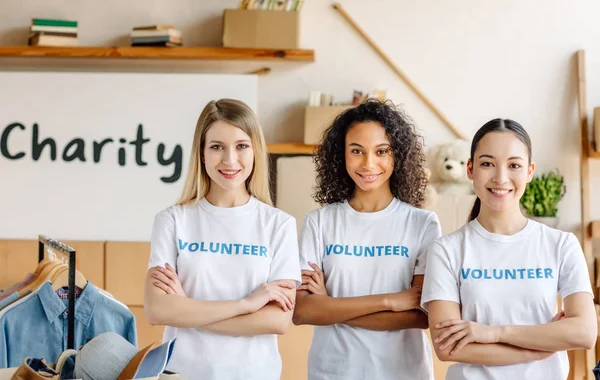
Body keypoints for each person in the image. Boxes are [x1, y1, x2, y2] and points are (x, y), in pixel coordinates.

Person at [421, 118, 597, 379]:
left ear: (529, 171)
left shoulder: (561, 244)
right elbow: (448, 348)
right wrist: (540, 348)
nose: (501, 178)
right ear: (470, 169)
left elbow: (584, 332)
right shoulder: (445, 251)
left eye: (514, 165)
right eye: (487, 163)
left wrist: (493, 332)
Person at [144, 99, 301, 380]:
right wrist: (247, 305)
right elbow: (158, 310)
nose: (230, 160)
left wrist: (187, 308)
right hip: (181, 373)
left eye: (241, 146)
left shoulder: (279, 225)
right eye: (216, 147)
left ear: (255, 151)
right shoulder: (172, 221)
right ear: (202, 154)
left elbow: (277, 320)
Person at [293, 99, 442, 380]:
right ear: (342, 154)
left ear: (397, 155)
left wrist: (331, 305)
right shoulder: (320, 222)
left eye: (381, 151)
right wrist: (391, 300)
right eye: (357, 151)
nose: (368, 163)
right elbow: (303, 311)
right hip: (333, 372)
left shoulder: (422, 224)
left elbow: (421, 316)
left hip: (403, 372)